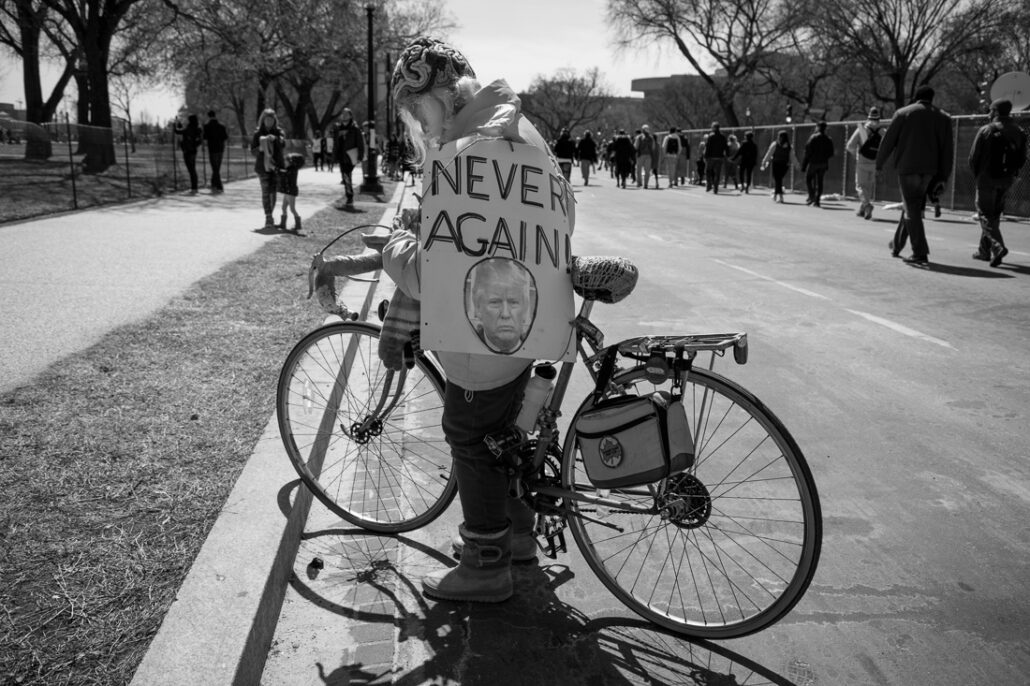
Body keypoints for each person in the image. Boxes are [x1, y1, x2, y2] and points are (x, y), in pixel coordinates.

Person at [383, 36, 573, 603]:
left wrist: (395, 245)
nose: (420, 125)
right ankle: (516, 537)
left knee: (469, 437)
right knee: (503, 440)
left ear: (441, 97)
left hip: (479, 337)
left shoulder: (465, 152)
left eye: (420, 111)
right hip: (528, 321)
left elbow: (433, 276)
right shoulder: (522, 131)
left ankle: (486, 565)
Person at [876, 85, 953, 265]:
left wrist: (879, 164)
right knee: (912, 206)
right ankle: (896, 245)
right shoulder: (944, 117)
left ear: (916, 97)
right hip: (930, 170)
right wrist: (943, 175)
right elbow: (947, 150)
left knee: (911, 208)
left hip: (908, 167)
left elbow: (888, 142)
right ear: (932, 98)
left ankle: (920, 252)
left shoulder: (903, 113)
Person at [968, 98, 1028, 267]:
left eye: (990, 110)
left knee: (984, 214)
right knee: (993, 215)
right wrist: (1012, 174)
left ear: (995, 111)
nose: (989, 113)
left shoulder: (986, 130)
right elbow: (1022, 158)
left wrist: (978, 176)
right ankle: (984, 251)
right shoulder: (1019, 131)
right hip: (1007, 179)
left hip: (987, 178)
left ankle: (997, 246)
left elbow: (973, 158)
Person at [465, 258, 535, 353]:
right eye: (495, 302)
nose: (505, 314)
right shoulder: (463, 347)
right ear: (478, 307)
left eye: (513, 302)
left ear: (525, 307)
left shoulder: (539, 349)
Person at [249, 108, 285, 229]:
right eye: (267, 119)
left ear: (275, 120)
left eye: (271, 119)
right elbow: (252, 151)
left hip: (276, 166)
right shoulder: (258, 133)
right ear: (263, 120)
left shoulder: (279, 132)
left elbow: (283, 144)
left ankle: (271, 213)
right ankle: (268, 217)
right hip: (262, 167)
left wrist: (275, 139)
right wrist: (260, 148)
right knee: (265, 192)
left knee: (273, 192)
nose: (269, 122)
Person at [846, 107, 882, 219]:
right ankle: (862, 210)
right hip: (875, 162)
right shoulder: (883, 132)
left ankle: (867, 206)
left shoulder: (862, 130)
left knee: (860, 186)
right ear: (879, 118)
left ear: (868, 117)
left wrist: (855, 155)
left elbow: (850, 146)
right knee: (868, 187)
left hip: (862, 162)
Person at [335, 108, 365, 207]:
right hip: (341, 156)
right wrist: (334, 156)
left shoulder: (355, 128)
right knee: (345, 176)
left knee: (347, 175)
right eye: (342, 114)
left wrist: (360, 156)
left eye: (346, 114)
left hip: (350, 156)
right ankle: (349, 195)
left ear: (350, 116)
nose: (344, 115)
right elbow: (336, 143)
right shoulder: (338, 128)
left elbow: (360, 143)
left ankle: (349, 197)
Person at [801, 120, 834, 207]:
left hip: (813, 162)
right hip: (823, 163)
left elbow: (807, 150)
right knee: (820, 181)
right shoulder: (828, 139)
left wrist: (805, 164)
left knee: (808, 179)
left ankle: (811, 196)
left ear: (818, 127)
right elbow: (831, 152)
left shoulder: (813, 137)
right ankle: (817, 200)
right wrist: (825, 157)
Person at [761, 130, 796, 203]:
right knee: (778, 180)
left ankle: (780, 196)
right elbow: (792, 157)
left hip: (776, 164)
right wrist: (797, 165)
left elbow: (769, 154)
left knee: (778, 180)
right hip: (785, 165)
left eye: (779, 136)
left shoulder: (775, 144)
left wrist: (764, 162)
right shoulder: (789, 146)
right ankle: (776, 195)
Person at [173, 113, 203, 194]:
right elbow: (200, 140)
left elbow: (177, 131)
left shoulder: (188, 129)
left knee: (191, 170)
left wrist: (175, 124)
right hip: (193, 151)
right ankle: (194, 187)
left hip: (187, 151)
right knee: (193, 169)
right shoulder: (198, 129)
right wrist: (195, 145)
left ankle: (194, 187)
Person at [277, 152, 304, 232]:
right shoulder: (289, 168)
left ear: (291, 162)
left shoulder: (293, 170)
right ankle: (283, 224)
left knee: (292, 209)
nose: (285, 162)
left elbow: (284, 173)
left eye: (286, 161)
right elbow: (283, 171)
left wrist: (277, 170)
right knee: (283, 207)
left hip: (291, 191)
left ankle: (298, 225)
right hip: (287, 191)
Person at [202, 110, 229, 193]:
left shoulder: (207, 126)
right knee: (217, 167)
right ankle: (214, 184)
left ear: (208, 116)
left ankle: (219, 185)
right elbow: (225, 137)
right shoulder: (221, 126)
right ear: (215, 115)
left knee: (215, 167)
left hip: (212, 149)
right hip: (220, 148)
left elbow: (204, 137)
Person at [704, 122, 728, 193]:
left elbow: (708, 147)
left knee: (708, 171)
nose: (711, 128)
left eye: (712, 127)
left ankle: (709, 185)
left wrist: (706, 156)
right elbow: (726, 147)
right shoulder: (723, 137)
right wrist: (727, 155)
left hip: (711, 157)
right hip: (720, 157)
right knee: (717, 173)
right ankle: (715, 188)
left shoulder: (711, 136)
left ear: (714, 128)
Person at [634, 124, 657, 189]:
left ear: (642, 130)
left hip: (640, 155)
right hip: (648, 155)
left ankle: (639, 183)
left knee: (638, 170)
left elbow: (635, 146)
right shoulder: (651, 138)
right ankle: (646, 184)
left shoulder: (639, 137)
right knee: (647, 171)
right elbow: (653, 147)